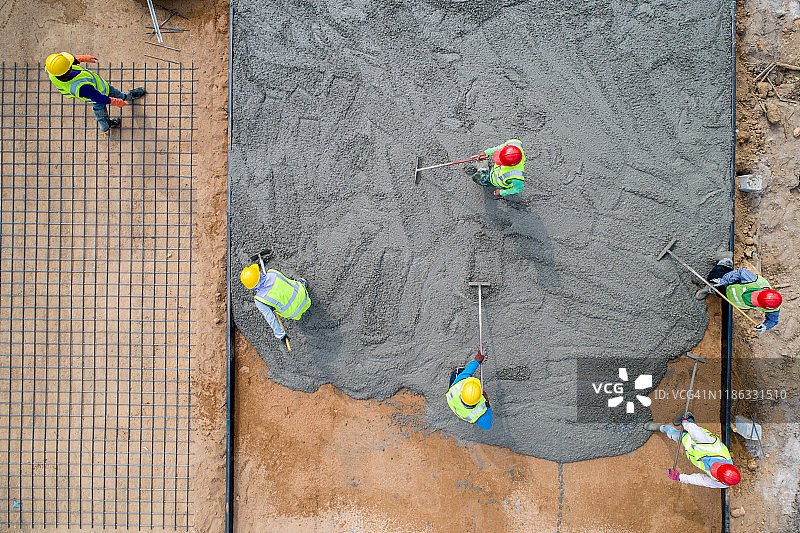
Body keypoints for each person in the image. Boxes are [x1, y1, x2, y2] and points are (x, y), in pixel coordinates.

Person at [45, 52, 146, 133]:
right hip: (100, 91)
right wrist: (116, 101)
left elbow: (66, 64)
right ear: (68, 71)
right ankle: (126, 96)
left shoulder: (52, 71)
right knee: (103, 102)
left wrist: (80, 58)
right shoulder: (81, 87)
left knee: (98, 108)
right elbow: (99, 98)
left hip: (93, 92)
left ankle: (105, 126)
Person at [645, 412, 741, 489]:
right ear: (724, 463)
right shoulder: (714, 447)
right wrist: (686, 424)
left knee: (689, 426)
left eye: (715, 471)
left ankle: (688, 415)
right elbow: (696, 433)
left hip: (693, 451)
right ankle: (662, 427)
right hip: (693, 440)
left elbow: (701, 480)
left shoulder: (722, 482)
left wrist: (680, 477)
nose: (712, 467)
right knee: (673, 434)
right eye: (717, 466)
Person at [695, 252, 781, 333]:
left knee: (721, 293)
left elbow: (773, 321)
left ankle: (711, 290)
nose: (751, 298)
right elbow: (740, 273)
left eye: (754, 301)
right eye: (755, 295)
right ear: (761, 291)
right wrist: (723, 280)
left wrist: (765, 326)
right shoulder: (755, 281)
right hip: (730, 284)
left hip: (733, 298)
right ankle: (726, 260)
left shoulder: (772, 308)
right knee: (714, 276)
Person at [240, 264, 310, 343]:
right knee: (289, 283)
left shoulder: (260, 300)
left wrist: (281, 335)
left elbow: (271, 319)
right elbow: (288, 282)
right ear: (258, 273)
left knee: (273, 306)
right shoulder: (272, 273)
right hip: (303, 295)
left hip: (295, 313)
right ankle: (303, 284)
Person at [445, 351, 492, 430]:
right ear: (480, 396)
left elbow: (467, 372)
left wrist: (476, 361)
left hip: (454, 404)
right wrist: (487, 402)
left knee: (459, 372)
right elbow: (487, 426)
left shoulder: (459, 385)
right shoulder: (480, 414)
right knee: (463, 373)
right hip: (461, 409)